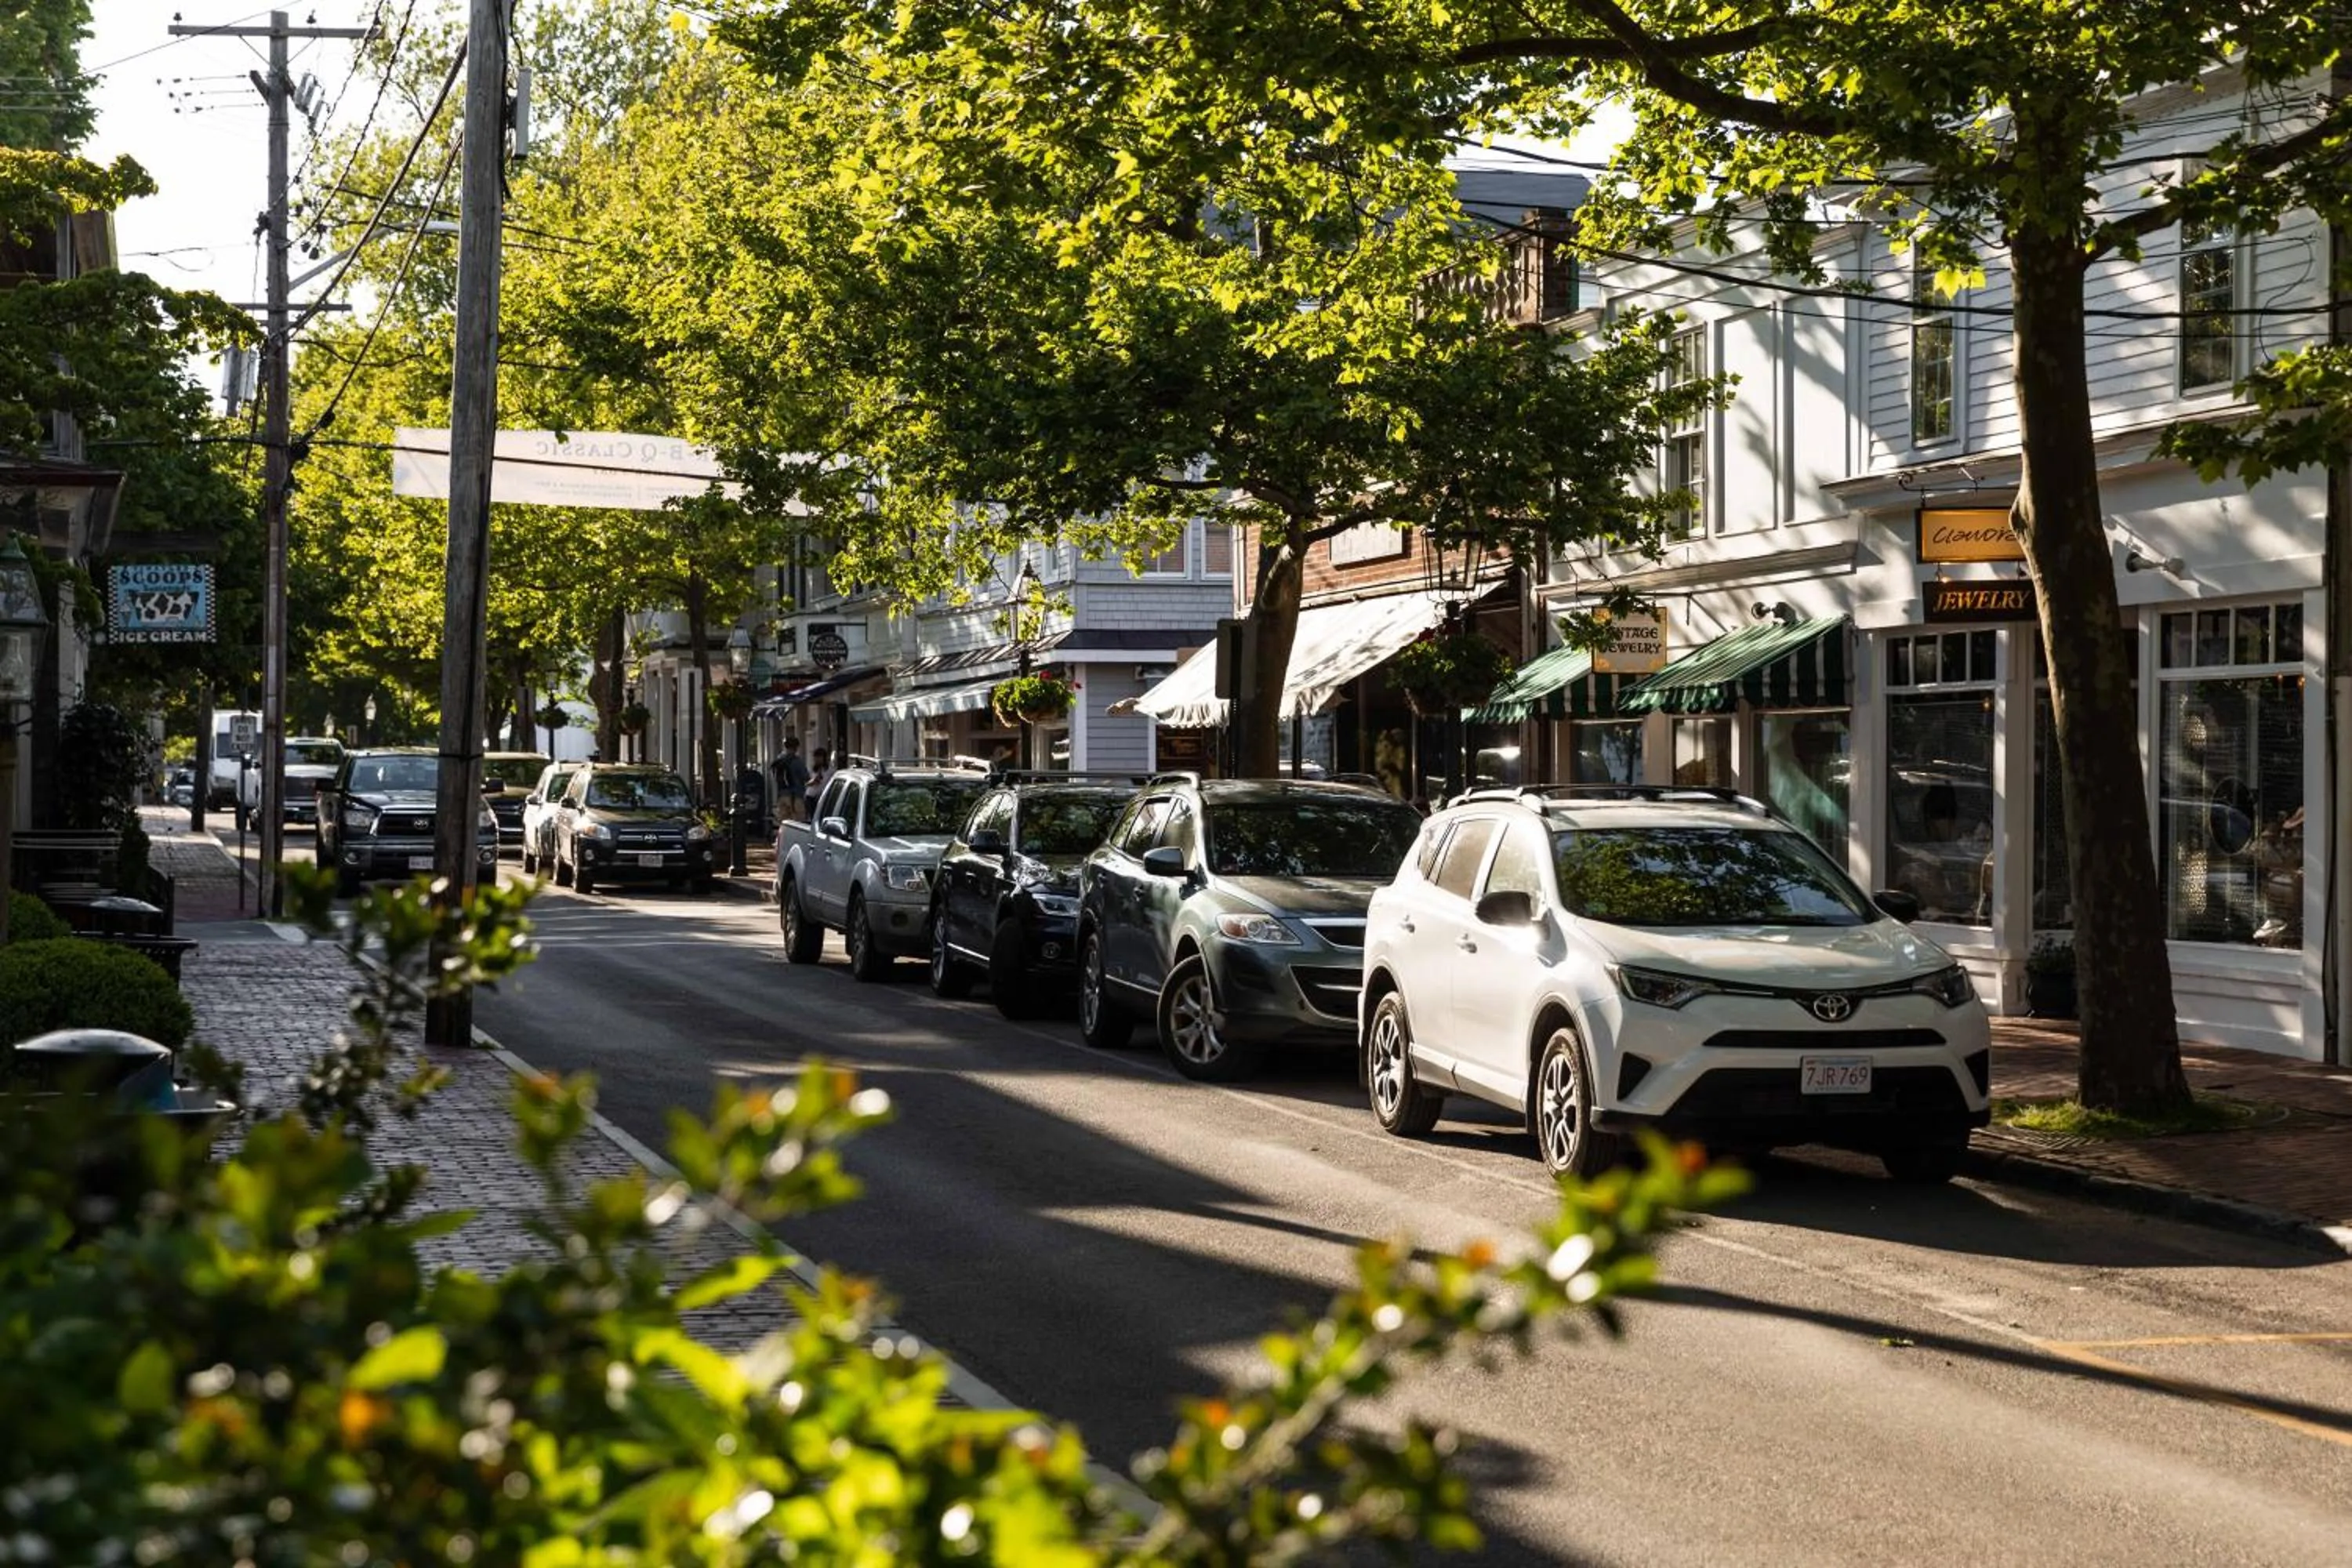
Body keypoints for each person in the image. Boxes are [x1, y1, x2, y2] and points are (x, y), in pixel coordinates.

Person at [773, 737, 809, 822]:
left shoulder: (779, 760)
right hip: (796, 797)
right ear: (796, 747)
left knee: (784, 822)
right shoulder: (797, 761)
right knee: (798, 823)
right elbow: (806, 777)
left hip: (782, 796)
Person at [804, 746, 833, 818]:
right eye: (816, 757)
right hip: (811, 796)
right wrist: (813, 781)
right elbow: (806, 783)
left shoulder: (830, 771)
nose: (817, 760)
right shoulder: (812, 770)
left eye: (819, 757)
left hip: (823, 797)